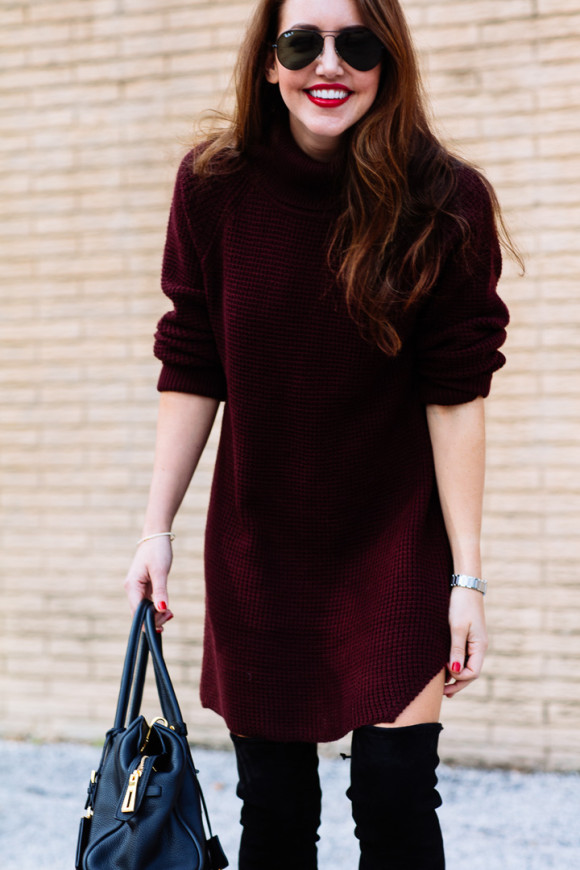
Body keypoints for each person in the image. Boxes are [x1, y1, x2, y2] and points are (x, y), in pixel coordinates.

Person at [124, 1, 517, 867]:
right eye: (302, 43)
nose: (328, 65)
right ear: (270, 63)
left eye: (357, 43)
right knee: (273, 809)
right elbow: (191, 361)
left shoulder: (445, 200)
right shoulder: (213, 188)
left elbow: (456, 395)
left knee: (396, 797)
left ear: (390, 60)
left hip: (394, 547)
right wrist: (156, 530)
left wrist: (468, 576)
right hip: (258, 548)